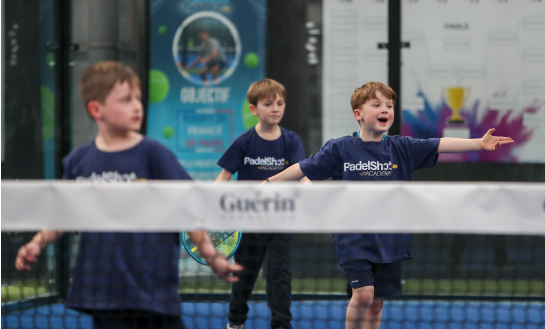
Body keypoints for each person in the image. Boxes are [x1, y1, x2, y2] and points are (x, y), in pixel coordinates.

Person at [264, 81, 514, 329]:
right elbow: (302, 168)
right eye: (377, 104)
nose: (385, 109)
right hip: (354, 239)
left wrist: (478, 143)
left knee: (376, 303)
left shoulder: (402, 147)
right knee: (362, 295)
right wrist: (266, 184)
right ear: (358, 114)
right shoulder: (340, 148)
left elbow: (440, 143)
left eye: (389, 105)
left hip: (391, 239)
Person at [15, 61, 242, 329]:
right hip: (104, 292)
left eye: (138, 99)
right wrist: (37, 242)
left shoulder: (153, 153)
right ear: (96, 109)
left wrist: (211, 255)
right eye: (125, 100)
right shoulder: (79, 160)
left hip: (154, 290)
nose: (136, 106)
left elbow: (186, 206)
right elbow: (66, 213)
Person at [215, 78, 309, 329]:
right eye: (268, 104)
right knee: (244, 275)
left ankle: (281, 324)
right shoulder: (244, 142)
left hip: (281, 220)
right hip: (249, 222)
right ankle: (236, 321)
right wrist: (209, 205)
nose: (276, 108)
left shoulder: (291, 141)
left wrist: (317, 197)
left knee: (280, 275)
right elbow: (224, 177)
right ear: (254, 109)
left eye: (280, 103)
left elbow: (301, 174)